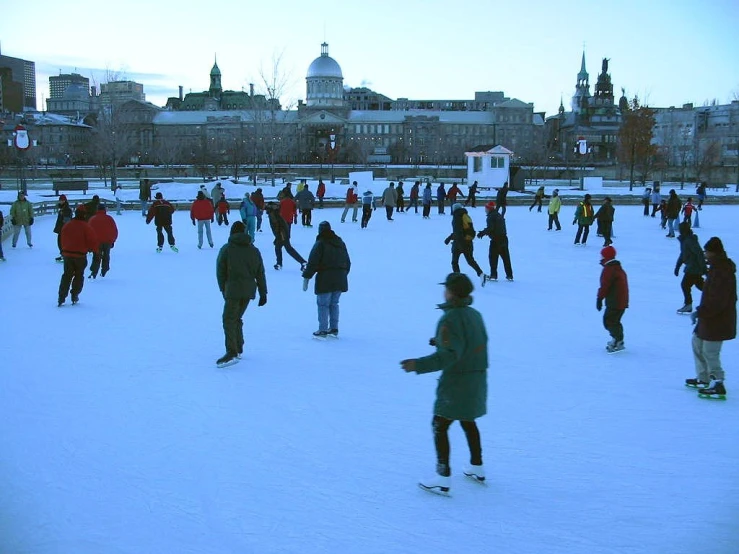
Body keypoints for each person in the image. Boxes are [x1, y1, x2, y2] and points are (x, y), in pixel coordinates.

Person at [400, 272, 488, 496]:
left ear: (451, 293)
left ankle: (442, 476)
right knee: (468, 419)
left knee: (440, 424)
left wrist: (417, 365)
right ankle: (477, 466)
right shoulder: (474, 314)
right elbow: (470, 342)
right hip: (476, 377)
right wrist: (439, 341)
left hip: (458, 380)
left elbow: (449, 356)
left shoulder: (450, 319)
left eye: (446, 288)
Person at [687, 237, 735, 399]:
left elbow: (718, 300)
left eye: (706, 252)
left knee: (710, 352)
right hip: (708, 317)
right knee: (697, 343)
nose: (705, 255)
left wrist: (701, 311)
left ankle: (718, 383)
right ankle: (703, 378)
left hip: (718, 319)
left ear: (713, 253)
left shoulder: (722, 271)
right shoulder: (715, 268)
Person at [215, 221, 268, 368]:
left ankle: (232, 352)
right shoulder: (254, 250)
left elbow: (220, 271)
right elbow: (260, 272)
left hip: (232, 290)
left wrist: (223, 289)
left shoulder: (227, 249)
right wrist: (263, 292)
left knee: (228, 319)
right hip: (249, 290)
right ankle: (238, 347)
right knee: (236, 317)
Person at [302, 221, 351, 339]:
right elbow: (348, 261)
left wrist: (307, 277)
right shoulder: (340, 243)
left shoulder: (320, 243)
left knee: (323, 304)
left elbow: (313, 262)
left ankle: (323, 329)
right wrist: (343, 274)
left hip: (325, 278)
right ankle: (334, 328)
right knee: (334, 303)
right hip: (340, 277)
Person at [58, 204, 98, 307]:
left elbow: (61, 238)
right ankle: (75, 294)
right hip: (80, 255)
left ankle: (61, 296)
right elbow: (92, 240)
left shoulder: (67, 225)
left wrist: (63, 250)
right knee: (79, 276)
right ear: (84, 215)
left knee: (66, 275)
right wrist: (94, 251)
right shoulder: (86, 227)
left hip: (67, 254)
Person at [596, 245, 629, 352]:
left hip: (615, 301)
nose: (601, 258)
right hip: (621, 301)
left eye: (602, 256)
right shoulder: (618, 268)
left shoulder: (609, 270)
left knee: (609, 321)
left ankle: (617, 339)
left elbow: (605, 285)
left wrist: (599, 299)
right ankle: (618, 339)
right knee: (615, 321)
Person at [444, 203, 485, 285]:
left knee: (454, 262)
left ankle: (457, 280)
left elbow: (458, 231)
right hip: (468, 241)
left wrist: (453, 240)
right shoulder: (465, 215)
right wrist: (449, 238)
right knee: (470, 260)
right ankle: (481, 274)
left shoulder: (457, 216)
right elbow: (464, 230)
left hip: (459, 242)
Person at [674, 222, 706, 314]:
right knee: (700, 285)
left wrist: (703, 268)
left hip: (694, 268)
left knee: (685, 284)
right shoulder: (685, 240)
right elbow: (683, 254)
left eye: (680, 229)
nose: (678, 230)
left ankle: (688, 305)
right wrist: (677, 266)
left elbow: (699, 253)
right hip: (692, 267)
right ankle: (715, 296)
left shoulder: (689, 240)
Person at [477, 201, 513, 281]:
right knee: (506, 258)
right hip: (504, 238)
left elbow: (491, 228)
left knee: (493, 257)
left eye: (486, 208)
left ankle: (493, 275)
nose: (485, 210)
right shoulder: (498, 215)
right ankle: (509, 275)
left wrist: (482, 233)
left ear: (489, 209)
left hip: (496, 240)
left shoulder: (490, 217)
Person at [266, 202, 307, 271]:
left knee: (288, 249)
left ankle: (303, 262)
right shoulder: (275, 213)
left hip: (282, 234)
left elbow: (277, 226)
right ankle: (279, 264)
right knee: (279, 248)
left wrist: (279, 236)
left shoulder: (272, 214)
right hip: (282, 233)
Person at [88, 205, 119, 279]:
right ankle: (104, 270)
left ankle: (94, 272)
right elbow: (115, 230)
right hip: (107, 241)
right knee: (106, 256)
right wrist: (113, 240)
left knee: (96, 257)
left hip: (96, 242)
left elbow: (88, 231)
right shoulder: (109, 218)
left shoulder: (93, 219)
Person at [53, 194, 73, 262]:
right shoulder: (62, 209)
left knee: (63, 243)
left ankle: (66, 256)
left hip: (64, 229)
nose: (61, 201)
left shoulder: (67, 209)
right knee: (60, 243)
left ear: (65, 201)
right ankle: (63, 255)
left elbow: (67, 221)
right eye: (60, 200)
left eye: (62, 200)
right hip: (61, 229)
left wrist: (65, 229)